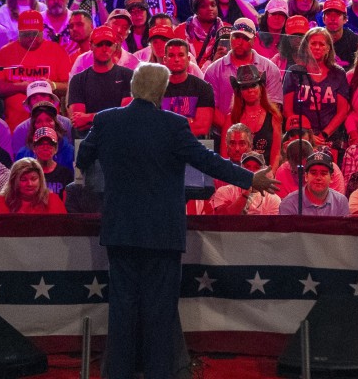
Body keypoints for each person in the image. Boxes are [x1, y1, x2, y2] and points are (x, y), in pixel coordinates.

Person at [77, 62, 278, 379]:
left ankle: (117, 373)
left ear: (133, 88)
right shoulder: (174, 125)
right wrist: (250, 179)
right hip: (162, 234)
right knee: (160, 309)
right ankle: (160, 372)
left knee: (123, 306)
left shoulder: (105, 121)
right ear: (161, 91)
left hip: (121, 230)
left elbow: (82, 159)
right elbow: (207, 162)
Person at [278, 149, 349, 216]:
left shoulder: (341, 202)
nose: (318, 178)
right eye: (313, 173)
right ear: (306, 176)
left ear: (331, 177)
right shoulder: (289, 203)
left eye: (323, 173)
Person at [0, 158, 67, 214]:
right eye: (23, 179)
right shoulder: (1, 201)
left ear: (40, 179)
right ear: (13, 181)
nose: (29, 184)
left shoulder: (53, 200)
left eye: (34, 179)